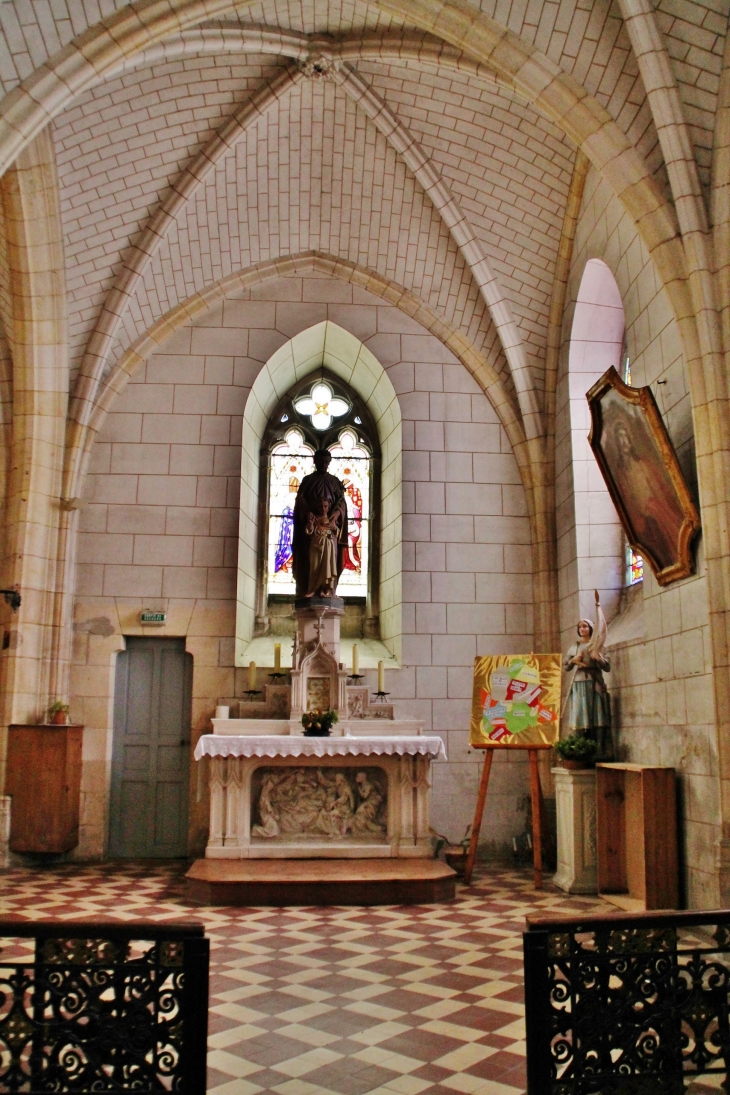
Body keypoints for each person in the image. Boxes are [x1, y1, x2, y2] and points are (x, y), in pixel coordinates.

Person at [563, 591, 613, 760]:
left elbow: (607, 667)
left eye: (585, 626)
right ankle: (580, 749)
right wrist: (574, 661)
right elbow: (566, 666)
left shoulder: (596, 645)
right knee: (580, 716)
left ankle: (598, 748)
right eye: (580, 627)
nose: (582, 629)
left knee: (598, 715)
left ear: (591, 628)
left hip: (594, 682)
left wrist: (598, 659)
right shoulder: (575, 646)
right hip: (579, 684)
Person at [292, 449, 348, 597]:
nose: (323, 465)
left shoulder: (335, 482)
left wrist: (336, 514)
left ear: (329, 463)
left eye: (326, 462)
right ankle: (311, 588)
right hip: (312, 534)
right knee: (312, 563)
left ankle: (328, 590)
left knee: (330, 562)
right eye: (320, 461)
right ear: (314, 461)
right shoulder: (307, 480)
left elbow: (341, 502)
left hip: (329, 531)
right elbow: (300, 501)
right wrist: (308, 514)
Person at [305, 499, 340, 597]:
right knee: (314, 568)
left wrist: (334, 528)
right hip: (316, 546)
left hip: (328, 547)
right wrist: (311, 524)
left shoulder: (331, 520)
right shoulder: (314, 519)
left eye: (325, 506)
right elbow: (309, 531)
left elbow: (337, 533)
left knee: (327, 567)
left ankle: (326, 590)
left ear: (328, 508)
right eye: (320, 506)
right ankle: (313, 590)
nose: (323, 508)